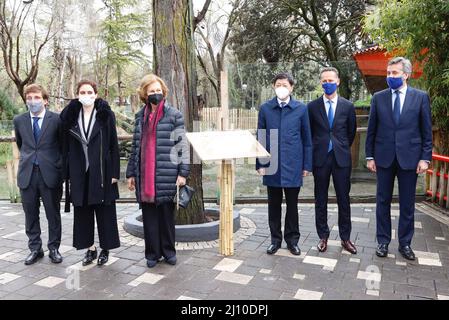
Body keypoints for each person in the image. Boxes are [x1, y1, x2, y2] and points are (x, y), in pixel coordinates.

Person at [366, 57, 432, 260]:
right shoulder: (378, 97)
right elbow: (372, 130)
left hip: (410, 159)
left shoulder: (420, 97)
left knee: (407, 203)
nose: (390, 77)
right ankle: (383, 242)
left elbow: (426, 131)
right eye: (388, 73)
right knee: (382, 201)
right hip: (384, 158)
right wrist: (369, 156)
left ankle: (405, 244)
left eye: (394, 73)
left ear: (406, 75)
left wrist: (425, 158)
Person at [126, 74, 190, 268]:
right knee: (149, 217)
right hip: (144, 174)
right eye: (152, 91)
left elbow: (182, 145)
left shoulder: (174, 115)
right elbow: (135, 146)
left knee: (166, 216)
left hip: (166, 172)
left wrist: (183, 173)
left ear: (164, 92)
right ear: (145, 93)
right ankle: (152, 254)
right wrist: (130, 173)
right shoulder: (139, 117)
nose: (156, 94)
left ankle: (169, 252)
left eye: (158, 90)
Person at [60, 80, 121, 266]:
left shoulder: (105, 115)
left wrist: (114, 173)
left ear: (95, 94)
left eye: (89, 91)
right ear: (77, 94)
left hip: (102, 171)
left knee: (104, 212)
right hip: (79, 172)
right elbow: (63, 146)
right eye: (82, 92)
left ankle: (105, 249)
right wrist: (66, 173)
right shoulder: (69, 116)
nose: (86, 95)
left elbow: (113, 145)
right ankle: (90, 248)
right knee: (83, 212)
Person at [256, 73, 312, 256]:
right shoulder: (265, 109)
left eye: (285, 84)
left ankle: (292, 240)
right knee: (273, 205)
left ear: (291, 87)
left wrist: (306, 165)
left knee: (292, 206)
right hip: (272, 164)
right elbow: (262, 137)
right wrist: (260, 163)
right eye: (278, 84)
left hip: (293, 163)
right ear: (274, 87)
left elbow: (307, 139)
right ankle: (275, 240)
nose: (281, 87)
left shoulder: (301, 109)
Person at [307, 67, 357, 254]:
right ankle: (323, 236)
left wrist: (340, 147)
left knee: (344, 199)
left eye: (331, 80)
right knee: (320, 199)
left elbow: (350, 133)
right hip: (320, 159)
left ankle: (346, 238)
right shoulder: (312, 107)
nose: (327, 83)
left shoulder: (347, 106)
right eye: (324, 80)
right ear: (321, 83)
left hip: (341, 159)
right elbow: (310, 133)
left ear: (338, 82)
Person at [13, 84, 63, 265]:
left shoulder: (57, 120)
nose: (33, 101)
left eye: (37, 98)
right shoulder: (19, 120)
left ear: (45, 100)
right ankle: (35, 249)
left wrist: (58, 167)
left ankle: (54, 248)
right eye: (29, 98)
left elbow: (62, 146)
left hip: (50, 174)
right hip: (27, 174)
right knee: (30, 214)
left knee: (53, 213)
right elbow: (21, 143)